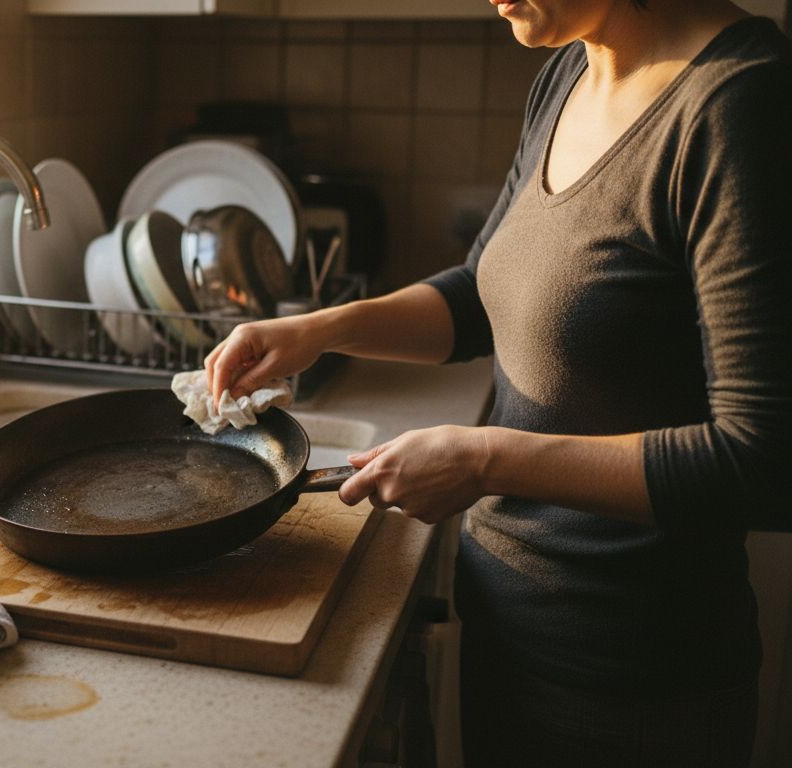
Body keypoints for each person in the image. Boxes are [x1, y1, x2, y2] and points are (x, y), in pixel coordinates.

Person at [204, 1, 791, 765]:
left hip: (636, 687)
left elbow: (763, 464)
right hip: (509, 633)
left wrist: (486, 461)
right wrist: (315, 330)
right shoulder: (571, 69)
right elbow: (484, 293)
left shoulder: (741, 103)